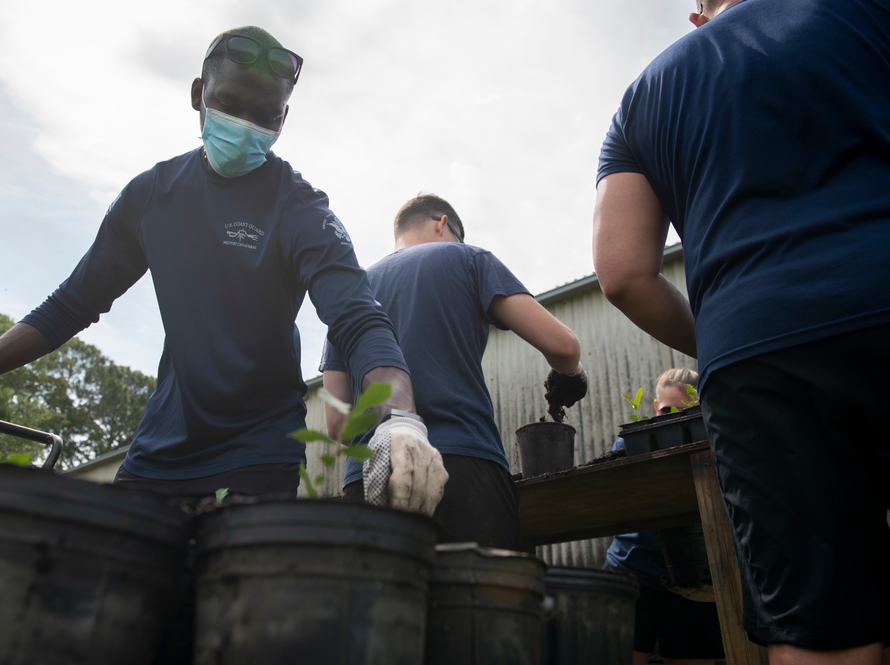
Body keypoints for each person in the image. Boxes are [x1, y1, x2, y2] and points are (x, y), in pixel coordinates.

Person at [0, 26, 446, 513]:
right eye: (232, 103)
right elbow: (71, 304)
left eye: (265, 115)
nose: (247, 124)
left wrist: (400, 419)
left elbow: (358, 318)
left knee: (230, 616)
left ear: (285, 118)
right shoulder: (153, 197)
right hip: (160, 451)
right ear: (198, 95)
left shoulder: (300, 208)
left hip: (258, 452)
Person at [592, 1, 890, 662]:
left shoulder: (642, 95)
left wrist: (728, 342)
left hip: (756, 361)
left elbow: (621, 273)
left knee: (822, 635)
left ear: (697, 16)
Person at [321, 194, 587, 549]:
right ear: (443, 223)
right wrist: (570, 375)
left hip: (369, 481)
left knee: (384, 601)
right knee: (474, 601)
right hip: (463, 469)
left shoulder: (351, 292)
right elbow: (563, 347)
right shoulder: (468, 258)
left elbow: (338, 426)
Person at [606, 368, 724, 665]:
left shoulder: (716, 448)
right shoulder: (628, 446)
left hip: (695, 579)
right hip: (632, 571)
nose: (676, 420)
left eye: (687, 413)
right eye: (669, 410)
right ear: (656, 408)